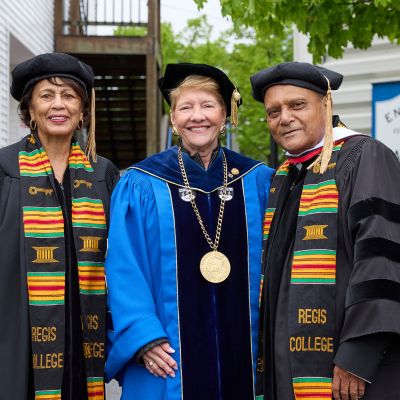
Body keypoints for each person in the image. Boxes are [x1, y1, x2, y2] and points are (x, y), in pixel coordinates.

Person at [105, 63, 274, 399]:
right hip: (168, 356)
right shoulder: (142, 183)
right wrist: (144, 337)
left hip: (248, 351)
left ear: (225, 115)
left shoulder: (258, 181)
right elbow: (124, 267)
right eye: (186, 107)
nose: (198, 116)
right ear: (174, 119)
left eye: (208, 105)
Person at [250, 61, 400, 400]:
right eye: (273, 111)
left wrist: (358, 355)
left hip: (354, 371)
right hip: (286, 365)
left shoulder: (363, 156)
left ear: (326, 104)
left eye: (297, 105)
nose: (284, 117)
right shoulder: (283, 177)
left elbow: (381, 261)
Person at [0, 52, 119, 400]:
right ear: (30, 109)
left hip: (85, 330)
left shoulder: (103, 173)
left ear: (82, 110)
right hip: (18, 330)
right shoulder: (5, 168)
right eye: (46, 96)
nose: (59, 105)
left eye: (69, 95)